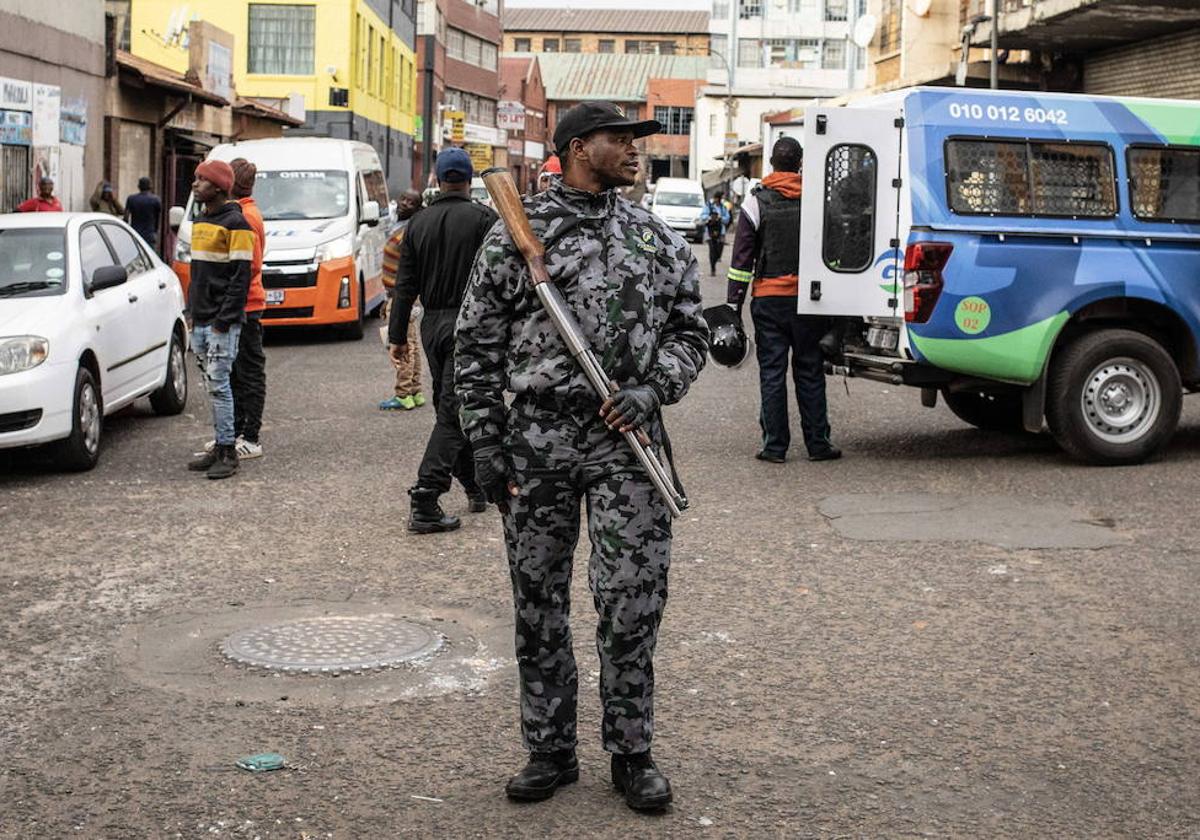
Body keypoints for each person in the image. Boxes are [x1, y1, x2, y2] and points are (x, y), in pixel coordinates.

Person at [455, 101, 709, 811]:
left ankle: (632, 753)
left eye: (637, 139)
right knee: (538, 602)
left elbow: (690, 335)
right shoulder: (517, 233)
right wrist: (483, 441)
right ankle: (550, 749)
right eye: (618, 138)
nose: (634, 149)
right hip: (538, 438)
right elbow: (474, 345)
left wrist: (653, 390)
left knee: (631, 603)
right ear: (574, 147)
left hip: (627, 443)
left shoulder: (658, 240)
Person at [389, 148, 496, 533]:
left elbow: (404, 286)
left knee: (449, 405)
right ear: (470, 181)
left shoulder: (417, 223)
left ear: (436, 179)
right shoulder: (485, 220)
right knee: (454, 410)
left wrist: (398, 336)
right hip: (471, 325)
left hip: (431, 324)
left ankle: (474, 484)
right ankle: (426, 495)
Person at [726, 136, 840, 464]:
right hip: (810, 301)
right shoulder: (817, 200)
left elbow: (741, 261)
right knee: (809, 370)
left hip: (769, 301)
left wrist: (734, 305)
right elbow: (833, 249)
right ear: (800, 163)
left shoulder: (754, 203)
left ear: (771, 164)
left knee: (772, 372)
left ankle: (775, 447)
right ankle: (818, 444)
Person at [185, 159, 254, 480]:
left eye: (201, 180)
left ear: (219, 187)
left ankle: (228, 450)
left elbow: (240, 278)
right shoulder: (200, 220)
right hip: (199, 320)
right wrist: (192, 315)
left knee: (220, 383)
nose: (195, 184)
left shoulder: (237, 225)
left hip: (220, 323)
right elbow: (199, 275)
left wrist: (222, 321)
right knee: (211, 385)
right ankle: (220, 444)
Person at [227, 158, 267, 460]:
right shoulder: (244, 212)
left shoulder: (246, 216)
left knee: (248, 372)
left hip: (247, 304)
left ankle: (250, 437)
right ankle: (238, 431)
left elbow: (249, 266)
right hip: (244, 303)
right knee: (237, 373)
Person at [379, 189, 427, 411]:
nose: (404, 203)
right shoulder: (401, 226)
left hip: (402, 298)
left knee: (402, 346)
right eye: (403, 199)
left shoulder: (409, 231)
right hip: (399, 296)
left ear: (418, 207)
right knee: (413, 345)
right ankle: (416, 391)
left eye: (411, 201)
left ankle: (403, 393)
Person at [125, 177, 162, 251]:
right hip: (149, 234)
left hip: (135, 233)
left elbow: (126, 218)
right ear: (150, 187)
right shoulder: (156, 200)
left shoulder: (131, 199)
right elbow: (157, 218)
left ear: (139, 186)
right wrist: (155, 232)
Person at [701, 191, 731, 276]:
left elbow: (727, 218)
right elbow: (702, 216)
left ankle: (717, 258)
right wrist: (711, 218)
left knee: (719, 251)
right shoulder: (708, 206)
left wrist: (720, 218)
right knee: (712, 250)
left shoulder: (723, 208)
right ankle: (712, 268)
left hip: (720, 231)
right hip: (710, 232)